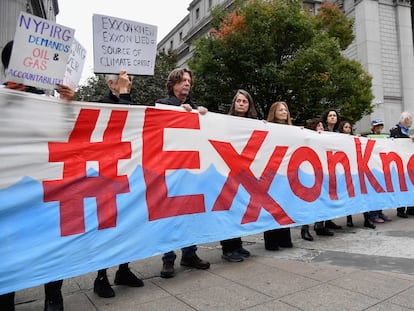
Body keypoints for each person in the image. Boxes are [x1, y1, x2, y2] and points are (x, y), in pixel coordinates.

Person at [1, 40, 74, 311]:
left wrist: (67, 105)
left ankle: (54, 296)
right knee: (7, 246)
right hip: (9, 188)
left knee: (51, 241)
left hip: (45, 185)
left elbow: (68, 136)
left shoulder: (49, 102)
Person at [92, 70, 144, 298]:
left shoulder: (129, 103)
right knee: (107, 227)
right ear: (111, 83)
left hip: (128, 174)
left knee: (128, 224)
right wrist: (123, 96)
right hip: (107, 177)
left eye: (130, 80)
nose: (129, 84)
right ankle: (100, 277)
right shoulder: (102, 105)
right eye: (124, 81)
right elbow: (118, 124)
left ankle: (123, 270)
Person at [155, 68, 210, 278]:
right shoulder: (162, 105)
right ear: (173, 84)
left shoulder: (196, 108)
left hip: (190, 169)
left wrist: (204, 117)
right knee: (169, 215)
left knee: (190, 214)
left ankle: (189, 254)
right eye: (182, 80)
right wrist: (179, 111)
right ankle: (168, 259)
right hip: (169, 170)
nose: (187, 83)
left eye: (189, 80)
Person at [220, 89, 256, 262]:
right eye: (238, 101)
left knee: (239, 209)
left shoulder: (253, 124)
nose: (241, 104)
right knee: (229, 209)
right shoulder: (224, 122)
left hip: (244, 173)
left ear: (249, 105)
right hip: (228, 172)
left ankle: (237, 244)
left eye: (245, 101)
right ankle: (228, 248)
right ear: (234, 104)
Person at [263, 101, 293, 250]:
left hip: (286, 174)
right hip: (271, 172)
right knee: (271, 206)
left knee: (285, 205)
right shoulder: (267, 127)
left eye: (285, 110)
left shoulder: (291, 130)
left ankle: (284, 238)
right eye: (280, 110)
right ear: (273, 112)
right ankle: (271, 241)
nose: (283, 112)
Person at [338, 121, 376, 229]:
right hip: (346, 171)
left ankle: (367, 219)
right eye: (346, 127)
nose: (348, 129)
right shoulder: (338, 139)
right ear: (342, 129)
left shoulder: (353, 139)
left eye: (349, 127)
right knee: (349, 196)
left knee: (362, 194)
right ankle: (349, 219)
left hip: (356, 171)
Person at [303, 118, 334, 237]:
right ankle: (304, 229)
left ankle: (320, 226)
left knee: (323, 200)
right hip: (311, 174)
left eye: (322, 126)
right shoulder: (307, 138)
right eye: (318, 126)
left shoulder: (326, 139)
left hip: (324, 174)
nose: (321, 128)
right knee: (309, 203)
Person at [320, 109, 343, 230]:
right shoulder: (321, 130)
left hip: (334, 168)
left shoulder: (338, 133)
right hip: (322, 167)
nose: (333, 117)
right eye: (330, 115)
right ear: (326, 118)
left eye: (334, 115)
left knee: (331, 194)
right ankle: (319, 225)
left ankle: (328, 220)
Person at [366, 119, 392, 223]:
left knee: (381, 191)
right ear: (373, 127)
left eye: (380, 126)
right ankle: (373, 214)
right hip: (372, 167)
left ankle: (379, 212)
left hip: (382, 167)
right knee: (374, 192)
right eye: (377, 126)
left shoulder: (385, 137)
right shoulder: (367, 137)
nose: (379, 128)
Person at [390, 111, 414, 218]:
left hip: (406, 163)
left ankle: (409, 207)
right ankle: (400, 210)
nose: (411, 122)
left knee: (407, 185)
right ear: (405, 120)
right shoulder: (395, 130)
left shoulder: (407, 131)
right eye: (410, 120)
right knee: (401, 186)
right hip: (399, 162)